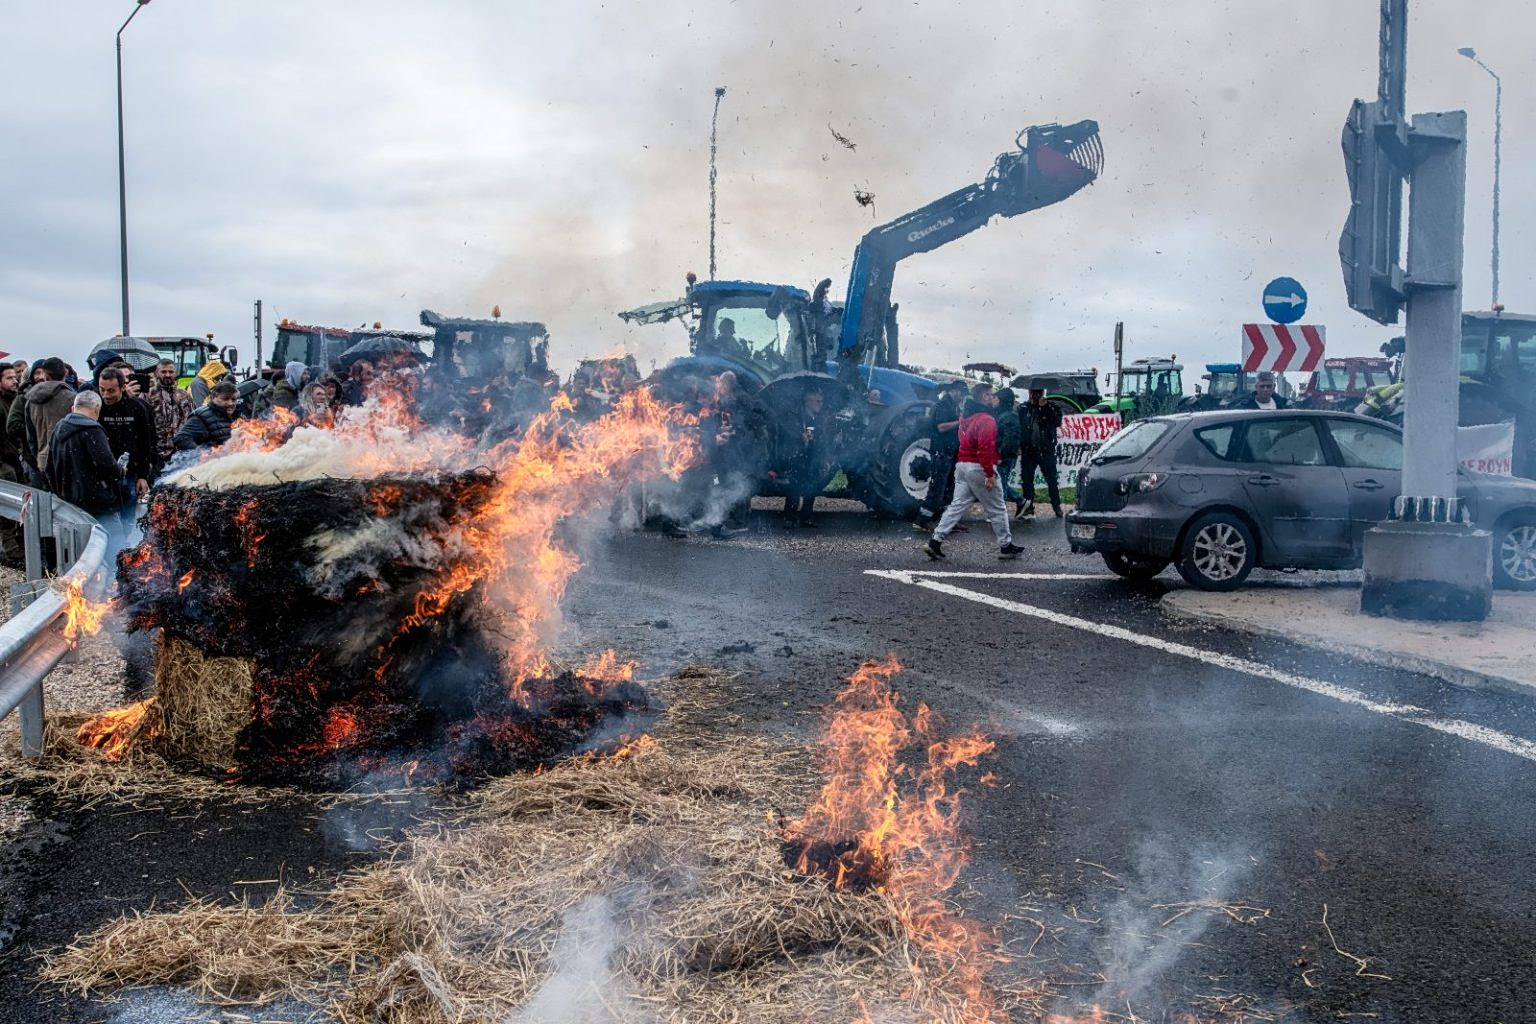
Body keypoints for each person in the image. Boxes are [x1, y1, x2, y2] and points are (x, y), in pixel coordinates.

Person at [921, 382, 1024, 561]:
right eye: (991, 395)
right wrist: (989, 474)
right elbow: (984, 448)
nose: (994, 398)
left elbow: (965, 441)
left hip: (962, 465)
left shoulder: (966, 417)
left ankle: (935, 542)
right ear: (984, 397)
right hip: (978, 467)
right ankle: (1006, 546)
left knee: (957, 506)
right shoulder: (986, 420)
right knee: (998, 507)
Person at [46, 391, 123, 541]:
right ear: (96, 409)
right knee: (114, 544)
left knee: (79, 548)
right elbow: (107, 465)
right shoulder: (92, 430)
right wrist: (120, 470)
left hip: (68, 502)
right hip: (98, 504)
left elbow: (49, 468)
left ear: (73, 408)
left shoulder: (58, 428)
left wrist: (61, 492)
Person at [702, 371, 767, 536]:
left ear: (727, 384)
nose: (719, 388)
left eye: (721, 384)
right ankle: (729, 519)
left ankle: (738, 521)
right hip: (732, 451)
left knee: (737, 483)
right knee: (729, 483)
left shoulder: (739, 400)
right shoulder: (727, 400)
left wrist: (734, 430)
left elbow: (746, 423)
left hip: (740, 451)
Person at [95, 369, 156, 540]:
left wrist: (143, 476)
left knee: (128, 516)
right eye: (102, 389)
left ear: (122, 388)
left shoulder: (137, 407)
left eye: (111, 390)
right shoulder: (97, 406)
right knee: (106, 518)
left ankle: (125, 544)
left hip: (131, 472)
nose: (106, 395)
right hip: (104, 473)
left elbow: (146, 443)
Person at [915, 379, 966, 531]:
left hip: (950, 452)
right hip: (941, 452)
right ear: (953, 390)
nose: (962, 396)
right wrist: (959, 422)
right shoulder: (943, 406)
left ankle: (948, 520)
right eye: (961, 393)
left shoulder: (954, 406)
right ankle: (922, 520)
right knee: (937, 487)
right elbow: (941, 427)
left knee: (949, 487)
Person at [780, 385, 827, 527]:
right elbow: (787, 435)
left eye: (821, 401)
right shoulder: (796, 417)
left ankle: (806, 516)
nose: (820, 404)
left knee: (811, 488)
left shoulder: (819, 419)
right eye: (818, 401)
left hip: (813, 459)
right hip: (798, 458)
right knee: (795, 487)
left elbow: (822, 440)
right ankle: (790, 516)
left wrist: (824, 459)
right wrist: (801, 439)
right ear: (808, 401)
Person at [25, 357, 76, 482]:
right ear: (66, 373)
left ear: (45, 375)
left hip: (43, 460)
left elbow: (31, 437)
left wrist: (38, 455)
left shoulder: (31, 400)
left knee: (47, 499)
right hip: (68, 460)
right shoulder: (73, 399)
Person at [1018, 388, 1064, 518]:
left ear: (1042, 393)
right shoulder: (1023, 408)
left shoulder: (1052, 406)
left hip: (1046, 450)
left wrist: (1045, 408)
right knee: (1027, 480)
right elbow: (1018, 426)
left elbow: (1057, 422)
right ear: (1029, 393)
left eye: (1037, 393)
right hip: (1028, 450)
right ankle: (1028, 507)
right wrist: (1018, 445)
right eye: (1032, 393)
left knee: (1052, 480)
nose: (1034, 396)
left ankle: (1056, 506)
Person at [145, 358, 195, 470]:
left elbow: (192, 420)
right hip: (155, 452)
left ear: (175, 373)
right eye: (163, 372)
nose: (167, 375)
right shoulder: (147, 395)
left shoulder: (184, 395)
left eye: (170, 372)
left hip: (179, 452)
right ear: (157, 373)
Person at [173, 381, 239, 450]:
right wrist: (201, 454)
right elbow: (181, 438)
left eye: (233, 399)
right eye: (225, 399)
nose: (230, 403)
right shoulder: (201, 417)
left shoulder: (238, 415)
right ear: (213, 397)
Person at [993, 387, 1023, 514]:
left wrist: (1001, 455)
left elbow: (1009, 440)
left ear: (1001, 400)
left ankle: (1000, 513)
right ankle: (1021, 501)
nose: (992, 400)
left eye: (995, 398)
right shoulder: (1003, 414)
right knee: (1000, 482)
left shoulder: (1009, 416)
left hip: (1004, 457)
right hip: (1003, 455)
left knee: (1000, 485)